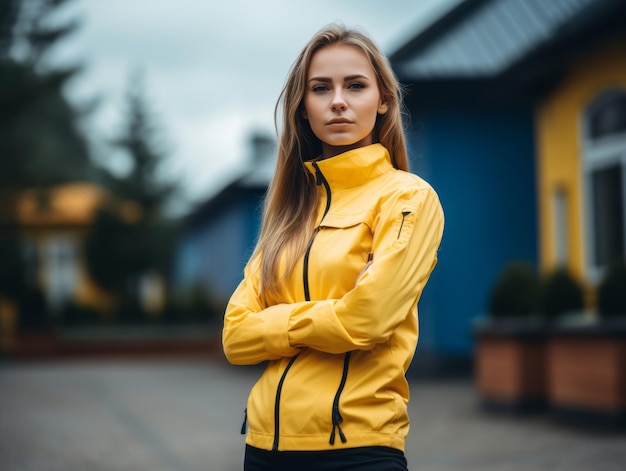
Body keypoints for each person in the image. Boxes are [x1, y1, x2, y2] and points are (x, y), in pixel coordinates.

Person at [222, 22, 444, 471]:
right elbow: (234, 337)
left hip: (356, 450)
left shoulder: (407, 198)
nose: (338, 100)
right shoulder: (288, 215)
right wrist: (334, 313)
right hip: (264, 449)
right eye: (320, 88)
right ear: (303, 108)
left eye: (355, 86)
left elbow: (369, 319)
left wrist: (275, 321)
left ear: (383, 100)